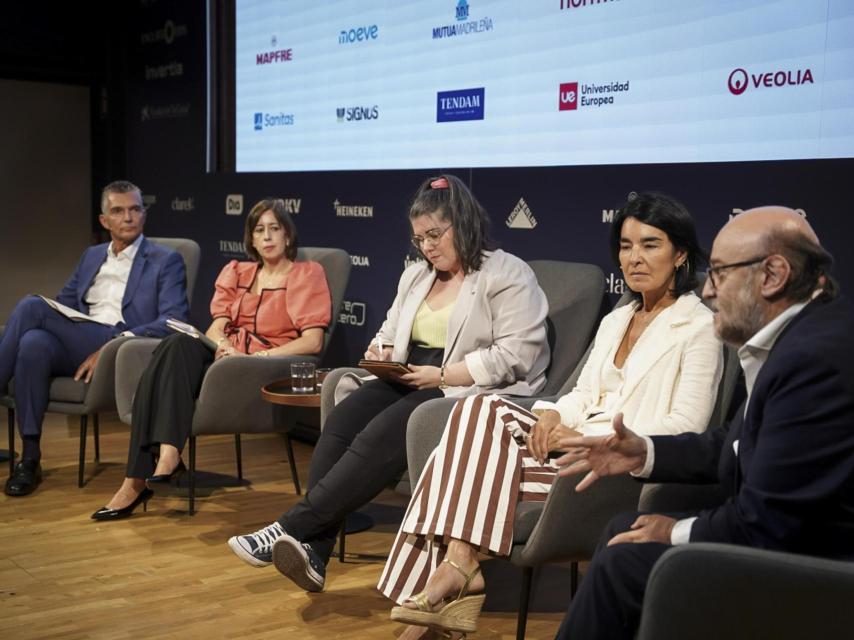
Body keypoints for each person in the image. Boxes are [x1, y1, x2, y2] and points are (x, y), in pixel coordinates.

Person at [383, 192, 725, 639]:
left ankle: (443, 593)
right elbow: (583, 391)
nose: (634, 258)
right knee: (473, 414)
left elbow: (687, 427)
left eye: (650, 244)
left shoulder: (699, 326)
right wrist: (549, 416)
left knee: (454, 458)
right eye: (625, 246)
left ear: (680, 254)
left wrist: (587, 439)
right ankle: (459, 567)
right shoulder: (617, 319)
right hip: (566, 445)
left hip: (609, 466)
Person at [227, 174, 551, 593]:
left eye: (435, 234)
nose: (428, 246)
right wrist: (381, 353)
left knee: (384, 429)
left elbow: (516, 356)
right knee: (344, 418)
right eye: (420, 239)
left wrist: (444, 375)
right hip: (412, 375)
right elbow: (388, 331)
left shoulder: (507, 273)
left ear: (464, 223)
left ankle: (288, 528)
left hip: (467, 386)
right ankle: (316, 552)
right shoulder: (417, 275)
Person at [553, 206, 854, 640]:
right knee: (625, 529)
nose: (709, 291)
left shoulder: (814, 359)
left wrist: (674, 530)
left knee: (626, 562)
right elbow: (735, 444)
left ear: (773, 274)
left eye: (719, 274)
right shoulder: (799, 338)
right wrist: (645, 451)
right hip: (782, 540)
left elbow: (768, 522)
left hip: (816, 570)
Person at [91, 198, 331, 520]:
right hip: (227, 359)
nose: (268, 236)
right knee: (177, 343)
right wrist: (224, 346)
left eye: (275, 229)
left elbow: (312, 341)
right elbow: (216, 327)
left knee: (167, 362)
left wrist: (257, 355)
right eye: (260, 230)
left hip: (263, 367)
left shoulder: (307, 274)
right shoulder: (237, 271)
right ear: (252, 239)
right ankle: (167, 454)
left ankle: (139, 478)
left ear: (288, 235)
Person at [1, 180, 189, 497]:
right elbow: (64, 305)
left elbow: (173, 320)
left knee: (33, 306)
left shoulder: (164, 260)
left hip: (121, 343)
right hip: (82, 338)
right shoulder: (92, 256)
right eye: (118, 211)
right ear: (105, 221)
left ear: (144, 214)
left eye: (135, 209)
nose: (128, 217)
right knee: (33, 341)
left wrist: (113, 344)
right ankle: (29, 459)